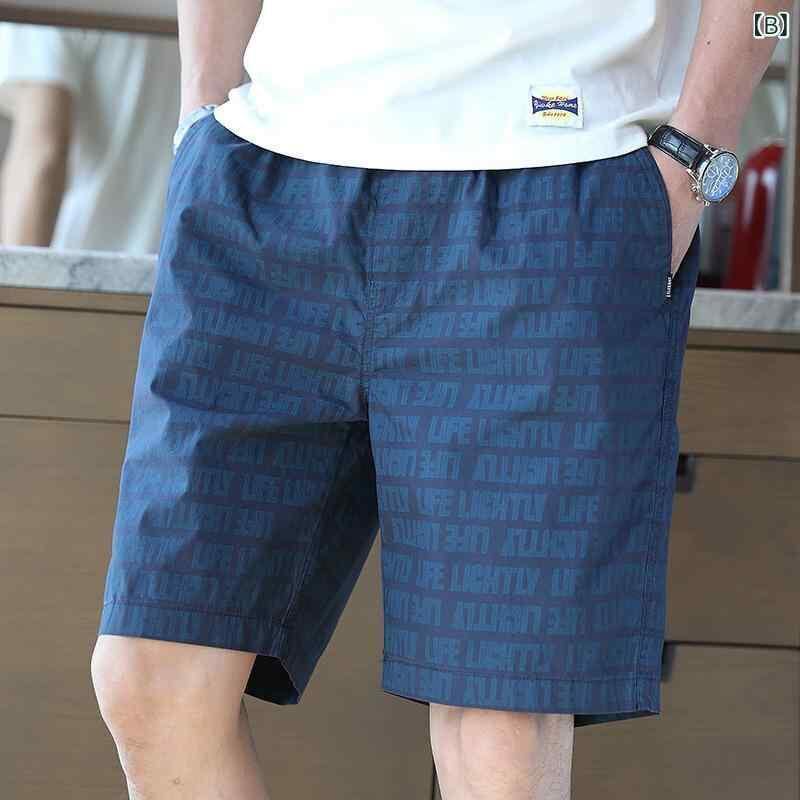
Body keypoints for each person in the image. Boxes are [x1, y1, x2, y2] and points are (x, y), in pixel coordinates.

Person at [90, 2, 782, 797]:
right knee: (151, 676)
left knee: (499, 731)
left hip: (549, 181)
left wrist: (695, 157)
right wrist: (199, 115)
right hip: (264, 174)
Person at [0, 22, 179, 252]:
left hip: (84, 259)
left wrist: (17, 274)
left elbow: (42, 156)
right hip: (181, 257)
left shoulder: (40, 11)